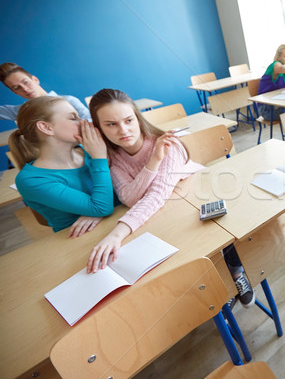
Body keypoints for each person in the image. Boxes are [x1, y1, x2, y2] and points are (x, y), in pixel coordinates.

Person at [87, 89, 255, 307]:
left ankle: (236, 271)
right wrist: (154, 162)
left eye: (128, 120)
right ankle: (213, 280)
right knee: (180, 241)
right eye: (111, 124)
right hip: (169, 209)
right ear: (98, 128)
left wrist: (117, 234)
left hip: (200, 197)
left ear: (137, 118)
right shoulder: (115, 158)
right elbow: (129, 198)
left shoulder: (168, 143)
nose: (123, 130)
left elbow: (156, 194)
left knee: (216, 231)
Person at [9, 96, 114, 235]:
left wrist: (96, 211)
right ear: (46, 127)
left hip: (117, 226)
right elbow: (102, 207)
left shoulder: (89, 152)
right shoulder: (30, 180)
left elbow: (118, 196)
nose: (83, 122)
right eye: (73, 118)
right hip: (82, 242)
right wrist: (100, 158)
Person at [0, 62, 91, 121]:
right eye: (16, 87)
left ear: (35, 79)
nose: (25, 89)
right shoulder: (24, 111)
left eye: (26, 82)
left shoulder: (69, 100)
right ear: (14, 92)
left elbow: (90, 121)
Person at [256, 44, 285, 122]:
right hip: (266, 108)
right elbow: (282, 68)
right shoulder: (275, 65)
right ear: (278, 57)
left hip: (278, 104)